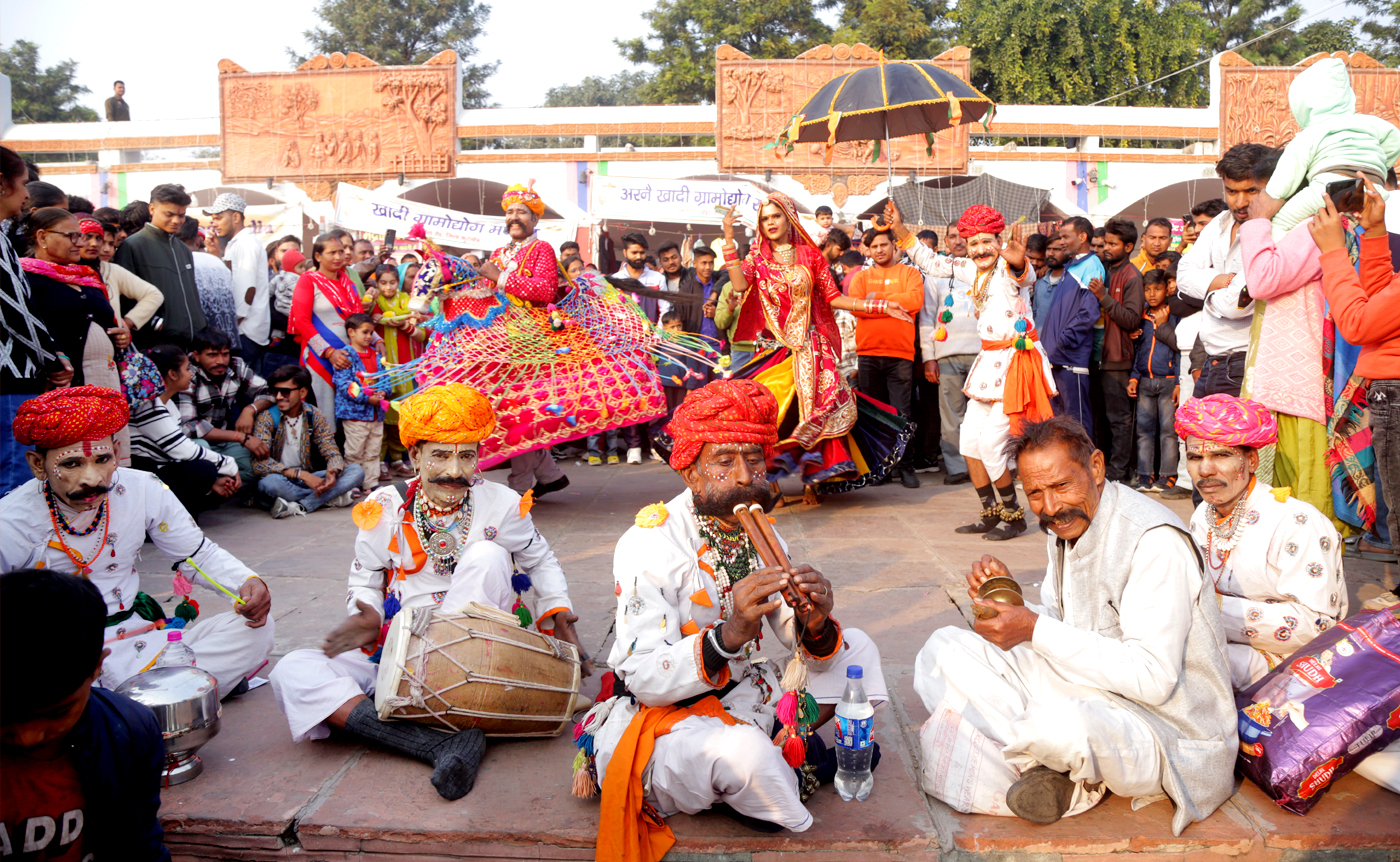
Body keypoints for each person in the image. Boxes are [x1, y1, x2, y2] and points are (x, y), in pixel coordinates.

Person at [586, 379, 886, 849]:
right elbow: (643, 678)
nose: (746, 476)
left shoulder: (759, 529)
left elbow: (793, 638)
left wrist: (814, 622)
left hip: (746, 693)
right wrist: (730, 634)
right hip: (669, 716)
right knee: (742, 754)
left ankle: (776, 762)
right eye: (724, 462)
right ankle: (783, 765)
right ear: (691, 472)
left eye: (754, 459)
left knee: (859, 649)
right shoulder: (650, 542)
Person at [912, 414, 1235, 833]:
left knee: (1056, 726)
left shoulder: (1153, 541)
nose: (1050, 507)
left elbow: (1153, 679)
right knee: (943, 651)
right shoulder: (1066, 525)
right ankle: (1046, 767)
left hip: (1163, 729)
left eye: (1061, 485)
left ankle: (1052, 767)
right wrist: (1009, 602)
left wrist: (1031, 629)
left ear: (1096, 467)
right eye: (1035, 493)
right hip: (1091, 688)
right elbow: (1061, 621)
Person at [268, 383, 585, 799]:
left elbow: (539, 560)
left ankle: (426, 721)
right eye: (440, 455)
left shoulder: (503, 503)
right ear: (415, 455)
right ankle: (440, 741)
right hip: (399, 651)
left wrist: (558, 610)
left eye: (466, 456)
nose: (454, 470)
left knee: (488, 555)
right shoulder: (384, 507)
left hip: (474, 651)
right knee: (293, 670)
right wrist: (368, 613)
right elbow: (365, 576)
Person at [0, 386, 275, 697]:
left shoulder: (142, 488)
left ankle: (150, 699)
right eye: (72, 464)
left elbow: (196, 554)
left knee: (257, 628)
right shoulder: (10, 521)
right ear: (38, 464)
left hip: (141, 641)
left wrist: (246, 582)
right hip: (61, 658)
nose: (92, 478)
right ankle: (184, 693)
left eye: (102, 459)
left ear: (117, 452)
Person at [721, 193, 914, 502]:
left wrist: (881, 305)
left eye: (776, 216)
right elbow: (740, 285)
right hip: (774, 348)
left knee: (815, 411)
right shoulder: (757, 258)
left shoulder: (810, 255)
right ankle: (772, 483)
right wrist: (729, 239)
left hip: (812, 348)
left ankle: (812, 483)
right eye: (765, 218)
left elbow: (834, 298)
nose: (770, 223)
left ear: (789, 218)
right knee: (768, 413)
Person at [890, 202, 1052, 539]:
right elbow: (932, 262)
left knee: (992, 445)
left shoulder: (1007, 269)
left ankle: (1014, 515)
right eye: (973, 243)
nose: (980, 249)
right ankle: (990, 512)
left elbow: (1026, 276)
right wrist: (901, 232)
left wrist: (1018, 260)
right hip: (988, 365)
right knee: (969, 441)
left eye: (986, 242)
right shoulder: (969, 269)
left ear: (999, 241)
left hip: (1015, 364)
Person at [1174, 395, 1345, 687]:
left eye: (1221, 455)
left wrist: (1207, 607)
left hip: (1291, 660)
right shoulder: (1204, 514)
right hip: (1218, 639)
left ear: (1251, 461)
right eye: (1195, 458)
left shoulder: (1297, 522)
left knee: (1181, 664)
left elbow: (1317, 626)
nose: (1205, 470)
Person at [1, 570, 168, 860]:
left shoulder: (130, 732)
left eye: (58, 713)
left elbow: (142, 840)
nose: (29, 737)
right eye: (6, 716)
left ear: (96, 667)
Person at [473, 182, 573, 495]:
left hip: (531, 343)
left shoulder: (542, 249)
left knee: (523, 414)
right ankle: (549, 474)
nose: (514, 217)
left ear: (535, 219)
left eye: (522, 212)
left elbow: (546, 290)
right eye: (510, 211)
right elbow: (489, 295)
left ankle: (518, 489)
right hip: (500, 343)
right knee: (506, 412)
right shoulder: (499, 253)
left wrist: (499, 277)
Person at [1177, 144, 1274, 398]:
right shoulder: (1219, 222)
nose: (1240, 202)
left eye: (1251, 191)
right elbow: (1183, 275)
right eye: (1231, 191)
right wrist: (1220, 281)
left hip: (1248, 362)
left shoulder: (1273, 230)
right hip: (1211, 361)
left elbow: (1235, 306)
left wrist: (1205, 291)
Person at [0, 150, 70, 497]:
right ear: (2, 184)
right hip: (9, 376)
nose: (27, 194)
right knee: (14, 481)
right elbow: (13, 309)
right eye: (24, 184)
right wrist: (53, 360)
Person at [1265, 58, 1400, 237]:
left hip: (1327, 188)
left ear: (1303, 103)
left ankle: (1275, 254)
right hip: (1373, 188)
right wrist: (1378, 166)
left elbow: (1289, 172)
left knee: (1281, 222)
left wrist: (1271, 195)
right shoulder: (1371, 122)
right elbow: (1394, 141)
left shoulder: (1311, 133)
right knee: (1365, 229)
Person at [848, 226, 925, 488]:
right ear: (867, 250)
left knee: (902, 413)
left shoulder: (910, 273)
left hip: (900, 354)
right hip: (868, 353)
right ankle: (880, 468)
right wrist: (892, 304)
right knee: (874, 414)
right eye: (874, 247)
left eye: (884, 245)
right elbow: (856, 307)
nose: (879, 250)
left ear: (894, 245)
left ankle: (906, 466)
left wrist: (876, 299)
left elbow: (914, 301)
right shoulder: (861, 276)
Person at [130, 343, 241, 514]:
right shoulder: (149, 406)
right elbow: (181, 450)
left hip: (157, 470)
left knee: (205, 471)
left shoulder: (167, 404)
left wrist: (215, 478)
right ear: (173, 374)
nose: (191, 373)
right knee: (204, 469)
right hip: (142, 476)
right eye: (188, 369)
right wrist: (228, 464)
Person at [251, 364, 363, 517]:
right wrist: (301, 475)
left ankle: (298, 505)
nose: (278, 397)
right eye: (275, 391)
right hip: (282, 478)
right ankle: (327, 499)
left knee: (356, 471)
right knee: (269, 484)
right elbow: (259, 464)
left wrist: (333, 471)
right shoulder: (266, 417)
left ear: (302, 392)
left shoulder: (314, 415)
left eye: (285, 392)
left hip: (309, 479)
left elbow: (331, 451)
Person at [918, 224, 977, 486]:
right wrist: (929, 357)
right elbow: (927, 317)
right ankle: (957, 468)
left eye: (963, 236)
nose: (959, 241)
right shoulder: (936, 272)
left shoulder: (984, 268)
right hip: (947, 355)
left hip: (983, 354)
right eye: (953, 236)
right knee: (952, 416)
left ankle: (989, 466)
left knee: (984, 415)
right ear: (946, 241)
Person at [113, 185, 207, 349]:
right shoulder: (132, 246)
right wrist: (156, 324)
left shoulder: (183, 249)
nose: (176, 221)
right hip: (156, 345)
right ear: (152, 209)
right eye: (169, 214)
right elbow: (123, 299)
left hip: (192, 344)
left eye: (181, 215)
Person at [1089, 218, 1145, 483]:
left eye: (1113, 244)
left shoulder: (1132, 276)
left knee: (1119, 420)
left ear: (1129, 246)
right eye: (1105, 243)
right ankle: (1102, 470)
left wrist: (1103, 297)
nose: (1107, 248)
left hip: (1116, 360)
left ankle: (1120, 474)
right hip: (1094, 357)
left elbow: (1132, 320)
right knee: (1098, 420)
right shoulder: (1102, 270)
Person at [177, 327, 272, 484]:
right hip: (194, 443)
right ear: (197, 356)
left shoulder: (235, 365)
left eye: (225, 354)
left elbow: (268, 391)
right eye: (212, 355)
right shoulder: (188, 373)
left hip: (224, 443)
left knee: (259, 468)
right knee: (203, 450)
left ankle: (224, 483)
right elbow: (189, 426)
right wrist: (240, 437)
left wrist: (250, 409)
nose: (220, 361)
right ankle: (212, 483)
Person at [290, 233, 359, 432]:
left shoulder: (348, 283)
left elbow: (359, 319)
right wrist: (329, 352)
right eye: (332, 252)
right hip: (319, 358)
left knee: (350, 414)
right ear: (318, 256)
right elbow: (301, 321)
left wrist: (376, 340)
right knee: (324, 416)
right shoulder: (308, 280)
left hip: (348, 358)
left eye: (341, 251)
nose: (338, 256)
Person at [1038, 236, 1098, 435]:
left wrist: (1063, 341)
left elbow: (1088, 313)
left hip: (1071, 359)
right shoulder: (1055, 275)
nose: (1053, 252)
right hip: (1052, 358)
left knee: (1077, 421)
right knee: (1057, 421)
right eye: (1049, 248)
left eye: (1059, 246)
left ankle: (1085, 457)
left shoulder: (1090, 266)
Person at [209, 193, 273, 375]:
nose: (214, 223)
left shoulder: (246, 244)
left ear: (236, 217)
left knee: (243, 385)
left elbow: (246, 292)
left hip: (245, 332)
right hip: (243, 330)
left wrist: (230, 325)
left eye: (219, 217)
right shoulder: (236, 244)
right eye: (213, 219)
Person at [1128, 269, 1180, 492]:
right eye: (1147, 289)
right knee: (1144, 431)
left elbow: (1179, 350)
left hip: (1168, 381)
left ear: (1167, 290)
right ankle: (1145, 475)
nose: (1151, 294)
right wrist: (1134, 377)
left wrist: (1178, 382)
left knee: (1169, 432)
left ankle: (1167, 476)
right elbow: (1138, 351)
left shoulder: (1174, 316)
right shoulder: (1141, 317)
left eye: (1157, 289)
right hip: (1145, 381)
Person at [79, 218, 162, 337]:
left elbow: (153, 294)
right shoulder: (61, 271)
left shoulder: (111, 270)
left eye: (111, 244)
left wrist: (127, 323)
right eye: (87, 237)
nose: (106, 249)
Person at [333, 313, 385, 495]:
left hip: (376, 414)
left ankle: (371, 482)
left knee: (373, 450)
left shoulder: (376, 355)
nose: (369, 336)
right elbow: (344, 385)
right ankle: (353, 482)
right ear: (351, 332)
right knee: (354, 451)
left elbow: (385, 378)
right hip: (355, 415)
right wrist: (366, 398)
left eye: (371, 333)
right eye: (365, 332)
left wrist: (384, 392)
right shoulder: (345, 356)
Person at [178, 216, 239, 346]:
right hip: (227, 341)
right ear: (197, 240)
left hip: (202, 345)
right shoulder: (217, 262)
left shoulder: (181, 264)